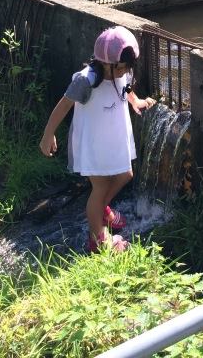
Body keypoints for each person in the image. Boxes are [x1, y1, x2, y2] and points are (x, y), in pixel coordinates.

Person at [39, 25, 156, 252]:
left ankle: (101, 209)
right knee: (100, 187)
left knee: (126, 174)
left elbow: (127, 88)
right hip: (93, 142)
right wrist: (48, 133)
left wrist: (137, 102)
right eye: (119, 68)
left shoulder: (121, 71)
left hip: (114, 136)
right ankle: (98, 239)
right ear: (103, 62)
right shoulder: (87, 79)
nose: (122, 73)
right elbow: (64, 105)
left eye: (126, 68)